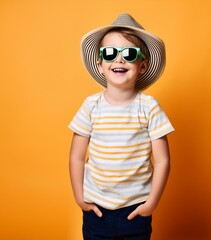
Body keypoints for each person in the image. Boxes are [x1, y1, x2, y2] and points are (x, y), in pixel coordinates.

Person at [68, 13, 174, 240]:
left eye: (129, 54)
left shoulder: (149, 107)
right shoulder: (91, 106)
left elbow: (163, 159)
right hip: (97, 209)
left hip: (136, 209)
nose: (119, 60)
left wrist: (151, 203)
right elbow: (77, 156)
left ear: (142, 65)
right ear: (100, 63)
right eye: (110, 53)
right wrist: (79, 196)